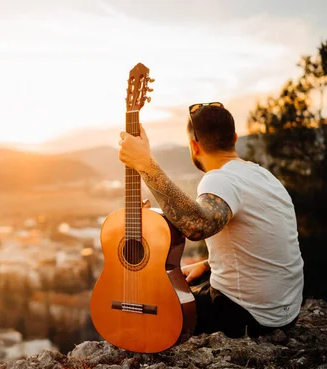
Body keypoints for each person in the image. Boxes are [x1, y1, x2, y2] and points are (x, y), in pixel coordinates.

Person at [118, 103, 304, 338]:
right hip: (285, 312)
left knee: (151, 304)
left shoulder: (219, 179)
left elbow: (196, 226)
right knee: (185, 285)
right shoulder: (262, 176)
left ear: (194, 146)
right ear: (234, 138)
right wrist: (208, 264)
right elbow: (264, 241)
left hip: (251, 316)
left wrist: (146, 164)